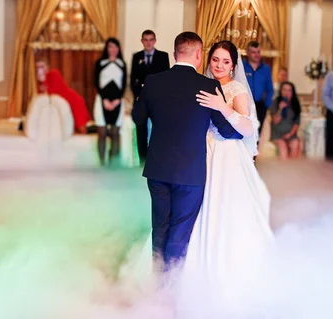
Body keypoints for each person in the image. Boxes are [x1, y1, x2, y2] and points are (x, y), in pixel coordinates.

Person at [131, 32, 243, 272]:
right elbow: (224, 128)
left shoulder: (153, 81)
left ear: (174, 54)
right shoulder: (208, 86)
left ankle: (157, 280)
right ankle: (171, 288)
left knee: (159, 227)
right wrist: (240, 130)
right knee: (179, 232)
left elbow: (137, 117)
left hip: (158, 169)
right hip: (190, 173)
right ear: (200, 55)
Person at [130, 30, 170, 164]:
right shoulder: (136, 57)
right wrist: (137, 95)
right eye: (146, 40)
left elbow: (165, 78)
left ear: (155, 41)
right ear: (142, 41)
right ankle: (142, 160)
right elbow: (132, 79)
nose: (148, 42)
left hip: (157, 99)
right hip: (141, 99)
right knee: (140, 128)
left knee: (158, 129)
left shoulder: (163, 56)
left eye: (151, 39)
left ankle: (156, 159)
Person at [93, 38, 127, 166]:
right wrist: (105, 100)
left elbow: (123, 84)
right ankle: (102, 164)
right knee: (101, 133)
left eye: (115, 47)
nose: (113, 50)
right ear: (106, 49)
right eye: (110, 47)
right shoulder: (100, 63)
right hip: (102, 101)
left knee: (115, 133)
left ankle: (113, 166)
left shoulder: (122, 64)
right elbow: (96, 82)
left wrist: (118, 100)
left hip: (118, 102)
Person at [35, 59, 91, 134]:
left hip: (73, 101)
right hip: (63, 105)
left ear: (47, 67)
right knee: (71, 130)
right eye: (38, 67)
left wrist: (44, 81)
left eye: (42, 66)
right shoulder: (39, 82)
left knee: (81, 128)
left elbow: (53, 92)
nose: (40, 69)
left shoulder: (54, 73)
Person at [242, 41, 273, 133]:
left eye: (258, 52)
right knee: (244, 132)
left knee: (257, 133)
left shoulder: (266, 68)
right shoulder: (241, 66)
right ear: (247, 53)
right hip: (244, 105)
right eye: (253, 52)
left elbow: (270, 89)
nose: (257, 55)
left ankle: (255, 147)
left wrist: (266, 105)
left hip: (260, 106)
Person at [270, 81, 301, 159]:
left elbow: (296, 123)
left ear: (292, 92)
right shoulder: (276, 102)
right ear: (281, 91)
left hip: (291, 134)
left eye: (289, 90)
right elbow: (275, 121)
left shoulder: (296, 104)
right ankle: (283, 169)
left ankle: (292, 169)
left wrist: (290, 134)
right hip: (277, 134)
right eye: (284, 90)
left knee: (296, 144)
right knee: (283, 150)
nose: (286, 92)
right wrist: (280, 109)